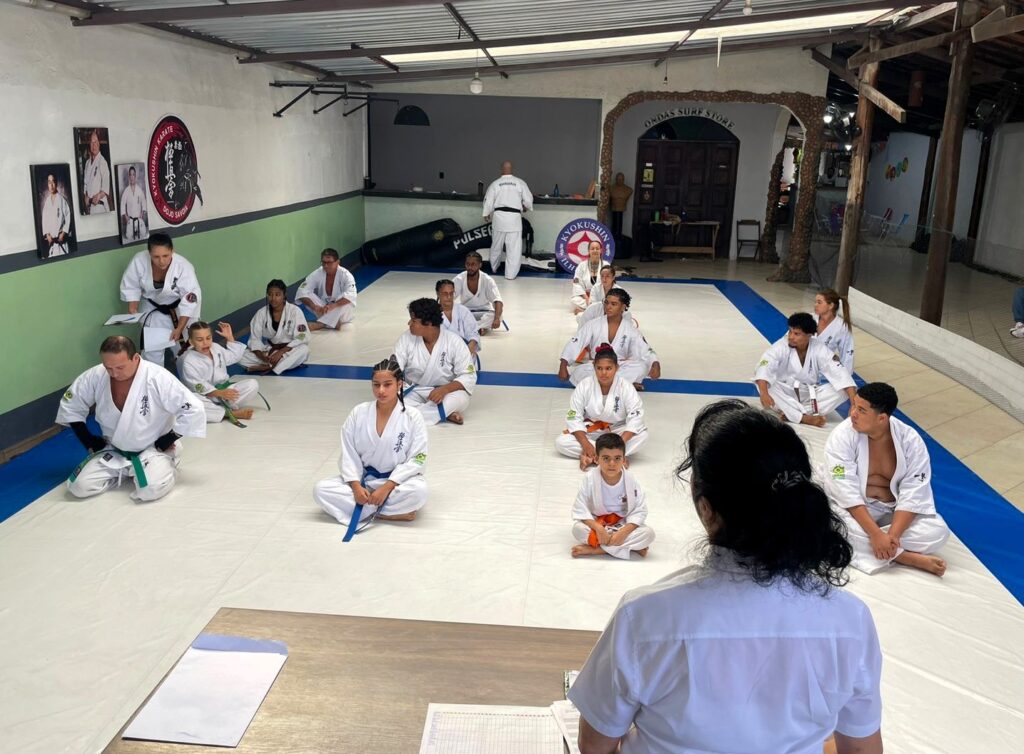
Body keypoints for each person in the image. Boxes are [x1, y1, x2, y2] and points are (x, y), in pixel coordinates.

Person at [569, 400, 883, 754]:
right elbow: (862, 750)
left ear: (706, 508)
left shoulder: (643, 615)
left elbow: (594, 746)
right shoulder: (850, 619)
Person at [56, 336, 206, 502]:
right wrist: (88, 440)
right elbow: (71, 405)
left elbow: (194, 408)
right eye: (108, 367)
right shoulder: (96, 375)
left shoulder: (157, 377)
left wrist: (169, 438)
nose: (114, 373)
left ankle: (165, 465)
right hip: (114, 449)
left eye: (120, 367)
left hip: (152, 450)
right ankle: (126, 472)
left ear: (135, 358)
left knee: (150, 490)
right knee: (78, 487)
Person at [823, 382, 950, 576]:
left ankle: (882, 547)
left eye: (861, 410)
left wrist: (892, 536)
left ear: (882, 418)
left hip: (892, 510)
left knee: (938, 532)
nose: (852, 414)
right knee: (825, 521)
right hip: (853, 508)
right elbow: (843, 487)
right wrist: (875, 534)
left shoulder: (910, 440)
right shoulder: (842, 436)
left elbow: (914, 491)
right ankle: (903, 556)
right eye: (854, 405)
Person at [313, 356, 428, 537]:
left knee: (419, 492)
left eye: (387, 384)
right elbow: (348, 454)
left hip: (396, 483)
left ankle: (367, 509)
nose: (381, 390)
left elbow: (417, 459)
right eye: (376, 385)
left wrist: (386, 487)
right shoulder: (358, 413)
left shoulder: (413, 416)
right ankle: (387, 513)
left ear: (399, 384)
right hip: (364, 482)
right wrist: (356, 487)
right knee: (321, 489)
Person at [755, 312, 857, 427]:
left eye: (796, 334)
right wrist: (764, 393)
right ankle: (803, 417)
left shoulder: (818, 348)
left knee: (844, 390)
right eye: (790, 331)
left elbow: (840, 373)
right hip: (785, 393)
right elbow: (764, 367)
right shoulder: (781, 346)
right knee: (764, 384)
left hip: (808, 396)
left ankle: (792, 413)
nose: (791, 337)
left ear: (809, 335)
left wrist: (854, 405)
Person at [555, 344, 648, 469]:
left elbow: (636, 417)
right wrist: (586, 444)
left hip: (617, 432)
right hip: (592, 431)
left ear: (616, 368)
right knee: (561, 442)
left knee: (642, 436)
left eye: (608, 368)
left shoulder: (626, 387)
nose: (604, 373)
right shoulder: (584, 386)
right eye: (599, 368)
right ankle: (614, 456)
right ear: (594, 367)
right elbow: (574, 417)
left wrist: (620, 443)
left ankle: (593, 456)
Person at [120, 233, 202, 365]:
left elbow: (190, 299)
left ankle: (190, 376)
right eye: (156, 257)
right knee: (152, 354)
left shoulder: (183, 266)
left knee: (186, 351)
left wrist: (179, 328)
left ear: (172, 251)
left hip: (180, 311)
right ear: (149, 253)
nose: (161, 261)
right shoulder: (139, 261)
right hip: (154, 309)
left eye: (165, 256)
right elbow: (131, 286)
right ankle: (155, 378)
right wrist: (133, 308)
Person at [570, 433, 655, 559]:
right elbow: (580, 508)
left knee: (648, 534)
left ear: (624, 460)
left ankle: (597, 550)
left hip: (623, 524)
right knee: (578, 530)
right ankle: (631, 547)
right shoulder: (589, 479)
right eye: (606, 458)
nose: (612, 463)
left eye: (617, 458)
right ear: (597, 459)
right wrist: (598, 528)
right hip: (599, 522)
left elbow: (640, 510)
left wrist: (623, 532)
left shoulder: (630, 480)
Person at [393, 298, 477, 426]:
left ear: (429, 323)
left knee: (461, 398)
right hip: (414, 390)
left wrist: (445, 389)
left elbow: (468, 376)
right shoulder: (406, 339)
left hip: (445, 393)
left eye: (414, 321)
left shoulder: (454, 342)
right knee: (393, 399)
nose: (409, 323)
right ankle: (442, 413)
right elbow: (394, 368)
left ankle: (409, 416)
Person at [559, 289, 659, 388]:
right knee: (579, 372)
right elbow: (576, 342)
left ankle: (602, 385)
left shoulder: (630, 329)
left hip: (619, 366)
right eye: (606, 303)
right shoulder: (593, 324)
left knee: (642, 368)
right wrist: (563, 364)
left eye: (613, 304)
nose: (608, 307)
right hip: (597, 366)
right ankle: (622, 384)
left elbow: (644, 348)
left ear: (623, 307)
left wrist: (655, 363)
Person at [178, 321, 261, 424]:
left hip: (224, 392)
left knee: (252, 384)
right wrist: (219, 393)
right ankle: (228, 413)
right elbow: (198, 386)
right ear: (191, 342)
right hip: (205, 396)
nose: (205, 343)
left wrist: (229, 337)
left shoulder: (215, 347)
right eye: (200, 340)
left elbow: (233, 357)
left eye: (208, 338)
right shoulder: (187, 360)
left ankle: (220, 408)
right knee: (190, 402)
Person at [240, 279, 310, 374]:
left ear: (284, 295)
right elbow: (254, 339)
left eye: (277, 295)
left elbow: (302, 336)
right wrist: (262, 356)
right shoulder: (261, 313)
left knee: (304, 350)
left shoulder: (295, 311)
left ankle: (266, 367)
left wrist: (281, 352)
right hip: (270, 351)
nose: (273, 298)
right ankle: (273, 364)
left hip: (289, 350)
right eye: (270, 294)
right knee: (240, 355)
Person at [482, 160, 533, 279]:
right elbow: (528, 199)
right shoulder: (520, 183)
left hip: (499, 218)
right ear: (512, 169)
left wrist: (486, 213)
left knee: (496, 245)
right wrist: (526, 207)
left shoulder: (495, 184)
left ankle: (494, 268)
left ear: (501, 169)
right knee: (513, 249)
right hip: (514, 219)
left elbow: (488, 200)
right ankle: (510, 275)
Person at [296, 248, 357, 331]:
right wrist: (314, 306)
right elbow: (301, 291)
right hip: (323, 309)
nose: (326, 266)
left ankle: (321, 324)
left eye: (329, 262)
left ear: (337, 262)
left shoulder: (346, 275)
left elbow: (351, 295)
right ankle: (333, 322)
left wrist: (334, 305)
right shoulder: (318, 273)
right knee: (306, 294)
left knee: (346, 299)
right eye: (323, 262)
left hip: (341, 313)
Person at [453, 251, 504, 334]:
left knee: (499, 315)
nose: (470, 267)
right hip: (466, 312)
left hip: (485, 312)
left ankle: (468, 328)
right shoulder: (459, 278)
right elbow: (449, 296)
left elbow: (497, 300)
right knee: (450, 314)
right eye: (468, 264)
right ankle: (479, 328)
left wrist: (497, 319)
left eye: (473, 264)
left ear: (480, 265)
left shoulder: (487, 280)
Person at [436, 278, 480, 358]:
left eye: (451, 293)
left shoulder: (463, 310)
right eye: (445, 294)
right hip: (440, 353)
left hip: (464, 351)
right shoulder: (432, 312)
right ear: (438, 294)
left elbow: (473, 333)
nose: (449, 297)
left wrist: (471, 346)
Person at [814, 288, 854, 375]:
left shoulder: (842, 327)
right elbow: (789, 340)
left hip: (822, 371)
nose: (815, 305)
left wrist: (845, 378)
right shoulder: (808, 318)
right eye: (815, 302)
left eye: (819, 302)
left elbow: (847, 355)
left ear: (831, 305)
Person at [40, 173, 72, 257]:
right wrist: (47, 234)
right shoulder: (47, 202)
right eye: (49, 182)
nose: (51, 185)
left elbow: (68, 216)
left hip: (61, 241)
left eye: (53, 181)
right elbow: (44, 220)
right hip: (52, 243)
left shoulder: (62, 200)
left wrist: (64, 233)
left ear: (56, 183)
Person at [82, 129, 111, 215]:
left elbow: (105, 187)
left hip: (100, 207)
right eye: (91, 142)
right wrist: (85, 197)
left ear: (99, 144)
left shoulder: (102, 162)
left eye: (95, 142)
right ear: (89, 144)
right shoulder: (87, 163)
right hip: (89, 208)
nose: (94, 145)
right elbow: (85, 184)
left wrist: (98, 196)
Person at [571, 240, 604, 314]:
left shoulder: (606, 265)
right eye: (592, 249)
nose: (595, 250)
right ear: (589, 251)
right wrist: (586, 298)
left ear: (601, 250)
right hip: (586, 296)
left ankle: (585, 310)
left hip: (600, 295)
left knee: (610, 300)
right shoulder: (582, 265)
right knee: (574, 300)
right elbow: (576, 283)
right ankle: (597, 310)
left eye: (597, 248)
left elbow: (610, 283)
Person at [118, 165, 148, 242]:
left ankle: (139, 229)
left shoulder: (139, 190)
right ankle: (132, 230)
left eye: (133, 174)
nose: (132, 177)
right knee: (128, 236)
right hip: (130, 220)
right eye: (130, 175)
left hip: (139, 218)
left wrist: (142, 213)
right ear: (129, 176)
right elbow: (122, 203)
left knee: (144, 234)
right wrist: (125, 216)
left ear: (135, 176)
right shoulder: (126, 191)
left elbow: (144, 202)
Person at [608, 172, 633, 242]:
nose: (619, 181)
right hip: (614, 208)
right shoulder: (611, 188)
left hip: (621, 208)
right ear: (616, 179)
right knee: (614, 226)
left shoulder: (628, 190)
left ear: (623, 180)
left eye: (621, 179)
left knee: (619, 227)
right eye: (618, 179)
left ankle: (618, 239)